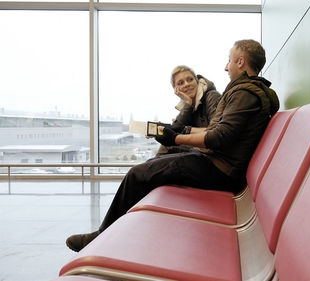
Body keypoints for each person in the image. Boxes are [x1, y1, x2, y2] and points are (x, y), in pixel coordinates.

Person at [65, 39, 280, 252]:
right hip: (218, 164)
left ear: (241, 62)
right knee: (147, 169)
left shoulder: (245, 94)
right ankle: (117, 229)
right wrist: (177, 132)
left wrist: (175, 138)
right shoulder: (245, 92)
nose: (226, 66)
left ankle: (103, 237)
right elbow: (217, 130)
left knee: (137, 174)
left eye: (230, 60)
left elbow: (218, 136)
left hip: (220, 170)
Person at [155, 65, 221, 156]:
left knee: (167, 148)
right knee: (166, 146)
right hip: (199, 150)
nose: (187, 84)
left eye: (190, 79)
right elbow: (177, 128)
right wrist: (188, 103)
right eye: (181, 83)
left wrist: (186, 130)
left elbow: (218, 131)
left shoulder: (212, 96)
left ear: (196, 81)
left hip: (213, 152)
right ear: (176, 89)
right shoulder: (188, 104)